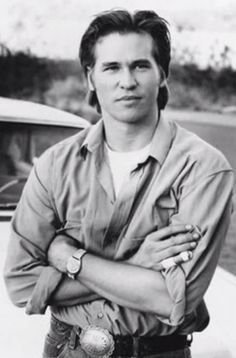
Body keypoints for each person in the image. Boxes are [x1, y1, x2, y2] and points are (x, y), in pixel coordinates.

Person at [4, 9, 234, 358]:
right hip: (66, 348)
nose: (127, 81)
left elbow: (174, 297)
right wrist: (138, 264)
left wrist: (69, 257)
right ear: (90, 78)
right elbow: (21, 284)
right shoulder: (55, 164)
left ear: (163, 74)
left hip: (157, 352)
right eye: (111, 67)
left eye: (140, 65)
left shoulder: (203, 168)